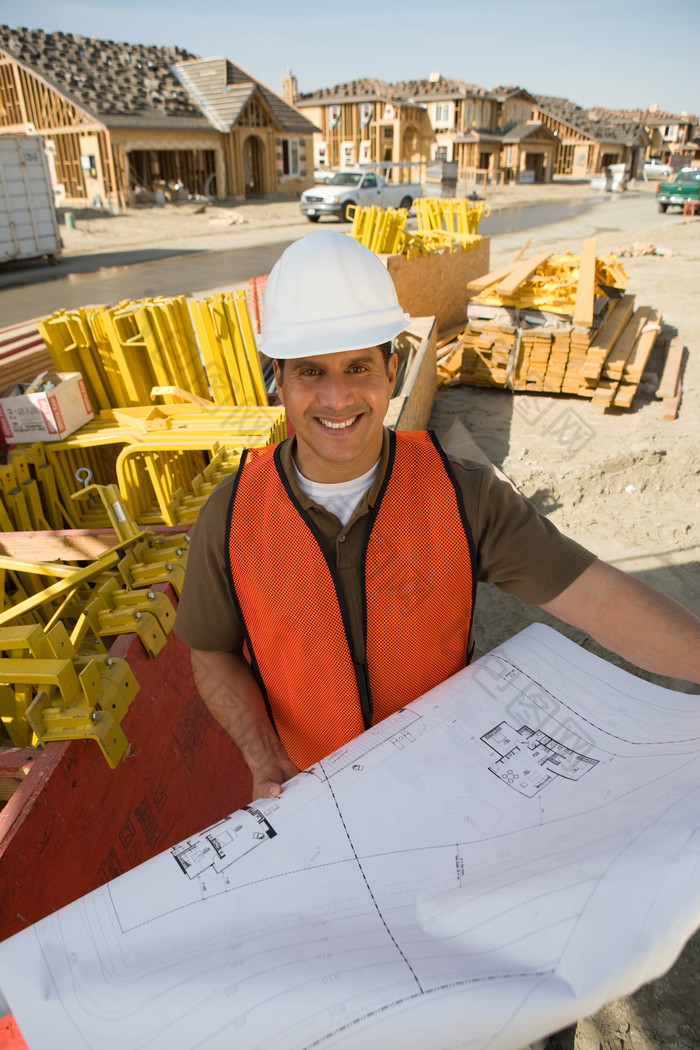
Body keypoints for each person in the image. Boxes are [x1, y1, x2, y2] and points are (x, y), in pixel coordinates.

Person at [173, 230, 700, 803]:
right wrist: (264, 755)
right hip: (314, 799)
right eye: (309, 372)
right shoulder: (231, 516)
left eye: (357, 367)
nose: (337, 398)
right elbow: (213, 650)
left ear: (392, 368)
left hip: (447, 788)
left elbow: (600, 600)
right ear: (277, 378)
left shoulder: (462, 495)